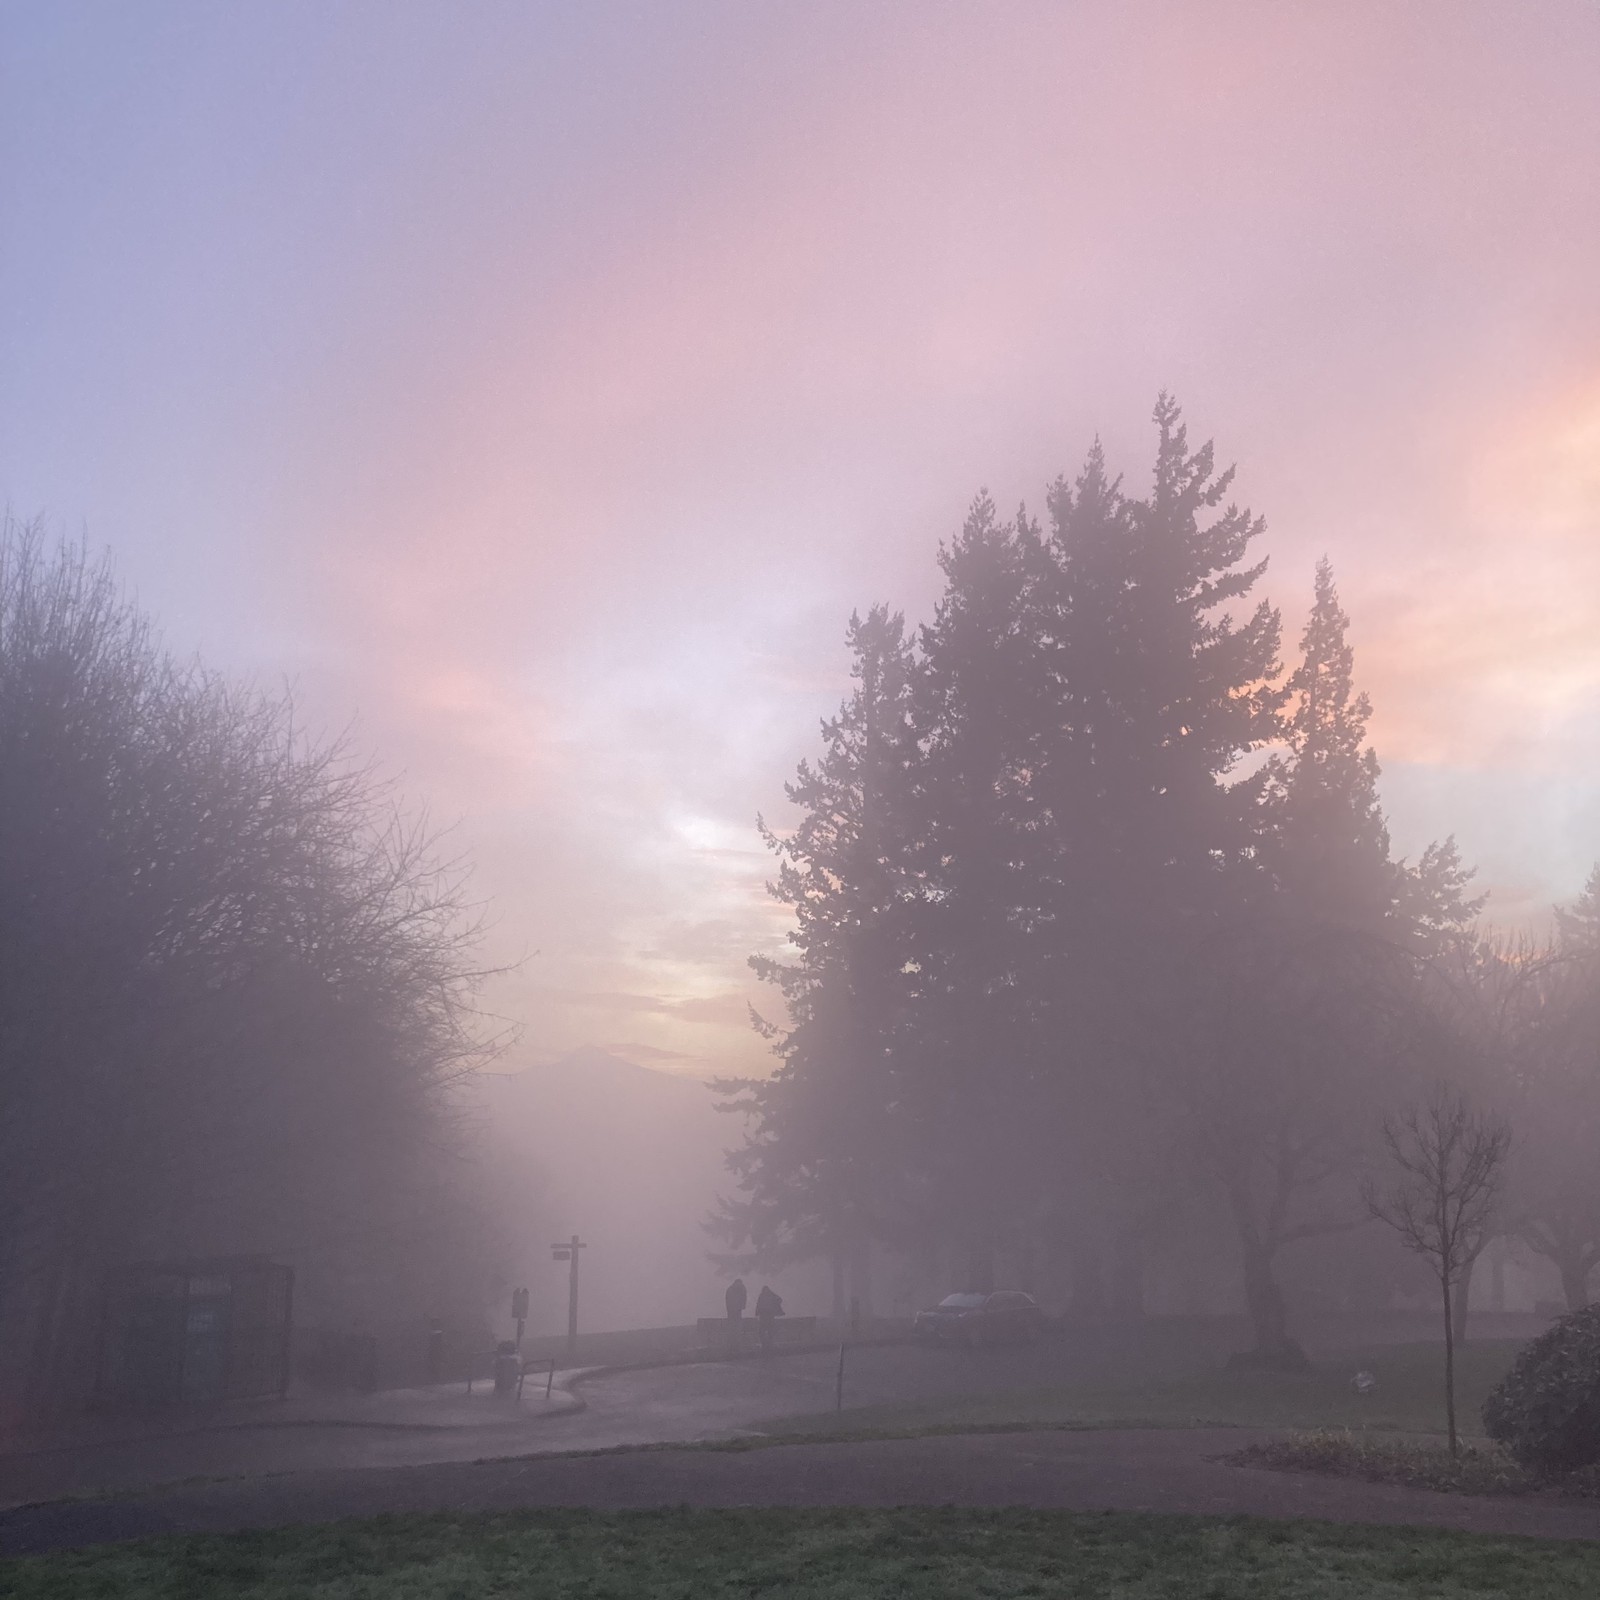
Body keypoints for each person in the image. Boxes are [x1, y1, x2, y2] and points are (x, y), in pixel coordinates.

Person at [754, 1284, 784, 1351]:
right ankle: (769, 1343)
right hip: (769, 1315)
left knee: (763, 1330)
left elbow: (758, 1304)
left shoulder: (762, 1296)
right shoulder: (771, 1295)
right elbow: (779, 1299)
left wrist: (757, 1313)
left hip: (764, 1316)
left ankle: (765, 1344)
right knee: (769, 1330)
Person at [724, 1277, 748, 1351]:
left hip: (733, 1310)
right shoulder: (738, 1289)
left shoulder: (731, 1289)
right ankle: (735, 1342)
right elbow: (744, 1297)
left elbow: (727, 1299)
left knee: (733, 1326)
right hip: (736, 1309)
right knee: (736, 1326)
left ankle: (733, 1343)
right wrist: (742, 1306)